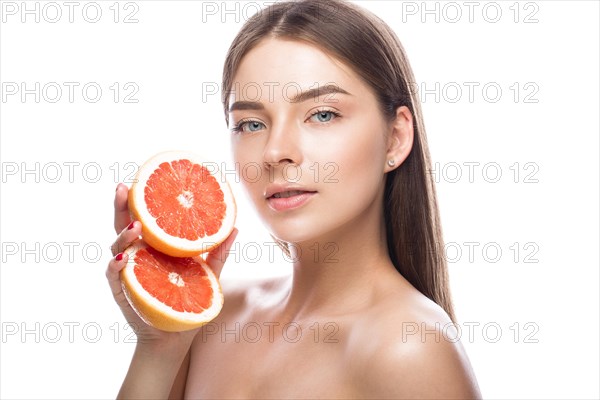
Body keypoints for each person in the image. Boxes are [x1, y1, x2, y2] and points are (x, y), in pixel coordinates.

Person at [107, 0, 482, 398]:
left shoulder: (408, 347)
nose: (275, 151)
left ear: (396, 137)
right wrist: (159, 348)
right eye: (251, 123)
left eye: (321, 114)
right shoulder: (220, 315)